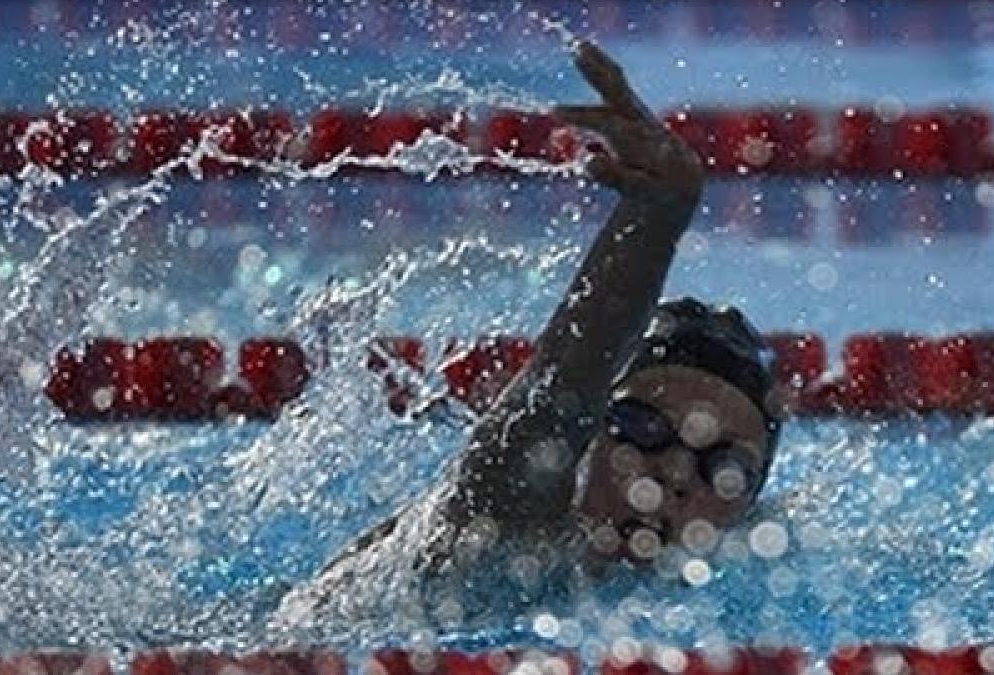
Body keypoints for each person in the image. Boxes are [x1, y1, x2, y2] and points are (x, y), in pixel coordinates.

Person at [273, 40, 782, 629]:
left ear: (750, 511)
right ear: (588, 437)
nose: (671, 475)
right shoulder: (503, 534)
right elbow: (557, 395)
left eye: (723, 466)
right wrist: (656, 215)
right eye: (643, 429)